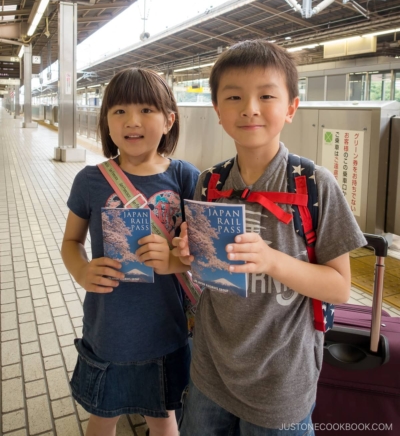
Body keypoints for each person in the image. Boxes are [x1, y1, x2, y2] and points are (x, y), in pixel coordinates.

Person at [173, 40, 367, 436]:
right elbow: (202, 270)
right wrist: (188, 253)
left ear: (291, 108)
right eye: (234, 96)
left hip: (281, 381)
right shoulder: (209, 182)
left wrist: (272, 260)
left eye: (266, 95)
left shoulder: (314, 185)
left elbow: (340, 287)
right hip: (210, 370)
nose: (250, 108)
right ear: (218, 111)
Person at [61, 68, 199, 436]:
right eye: (119, 110)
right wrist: (81, 271)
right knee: (102, 416)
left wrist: (176, 257)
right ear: (105, 120)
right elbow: (71, 242)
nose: (132, 121)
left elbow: (202, 253)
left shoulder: (187, 178)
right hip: (108, 330)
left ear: (169, 120)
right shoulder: (90, 180)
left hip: (167, 330)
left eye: (146, 110)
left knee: (164, 417)